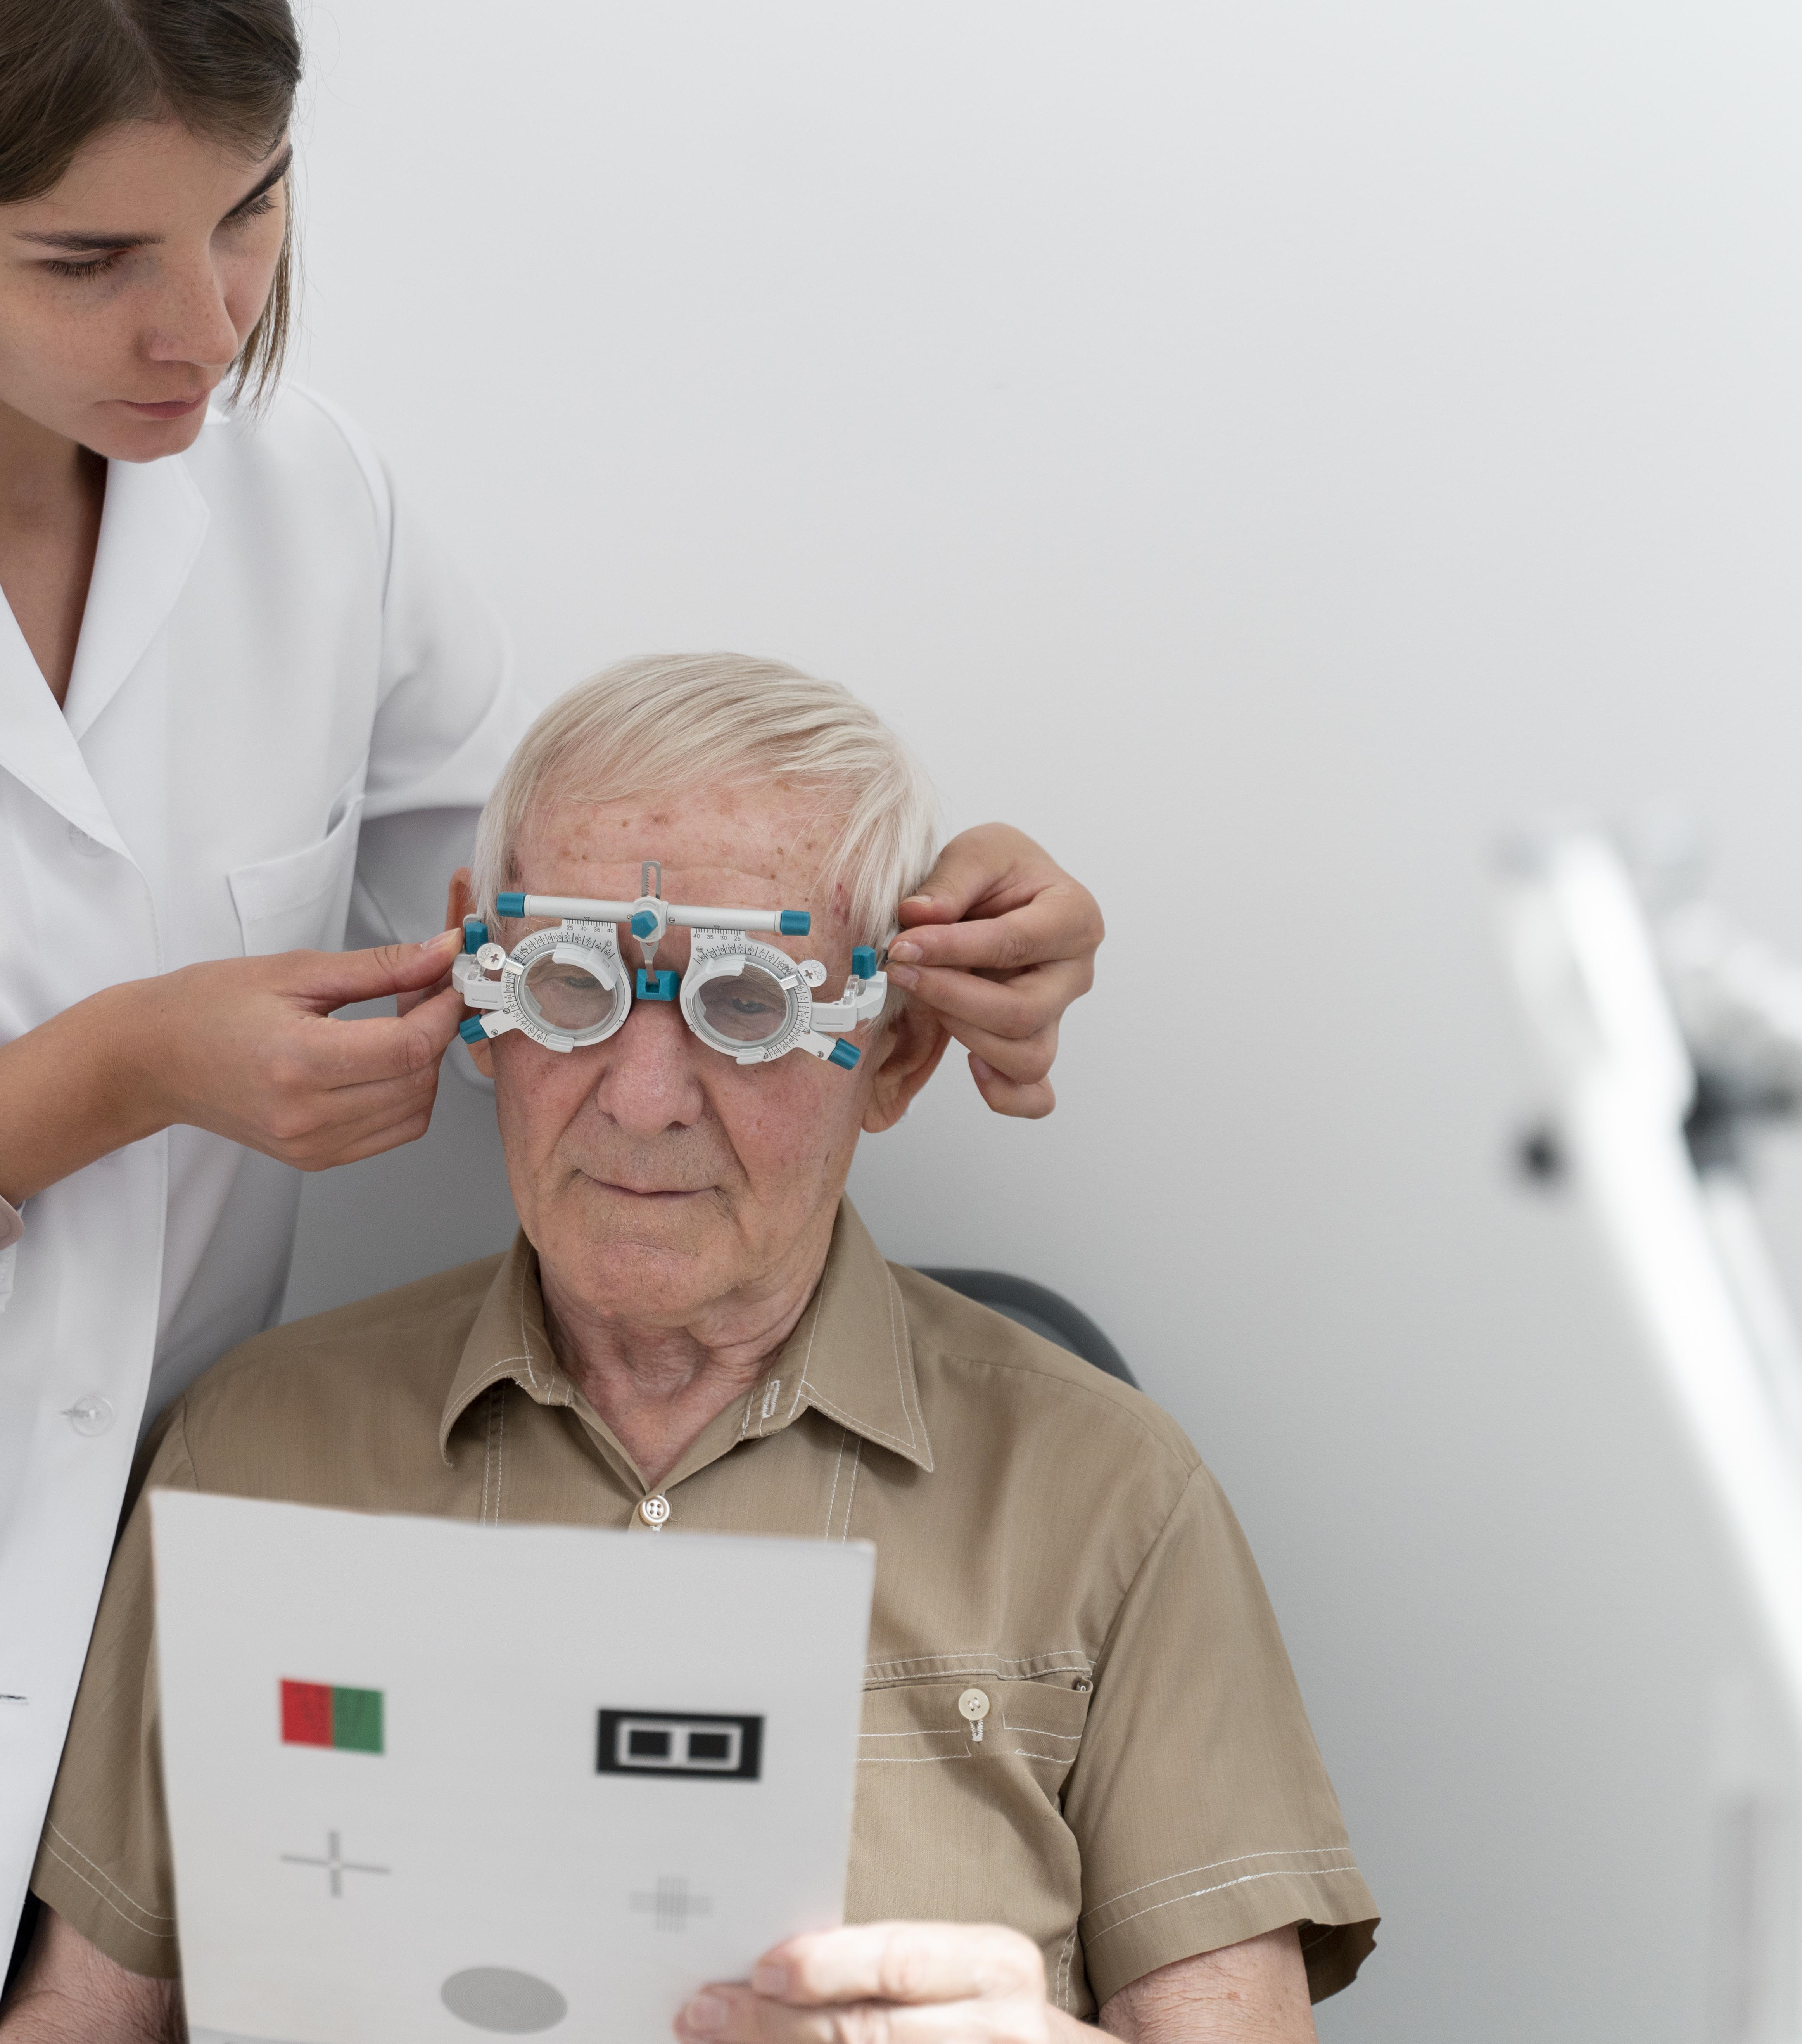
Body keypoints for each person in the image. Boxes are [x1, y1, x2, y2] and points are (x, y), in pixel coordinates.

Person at [0, 0, 1106, 1982]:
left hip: (130, 1637)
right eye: (89, 261)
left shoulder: (302, 502)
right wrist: (117, 1074)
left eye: (251, 213)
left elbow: (580, 885)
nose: (210, 327)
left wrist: (926, 913)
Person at [2, 657, 1375, 2043]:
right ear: (481, 992)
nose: (644, 1099)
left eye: (746, 1002)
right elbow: (78, 2018)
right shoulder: (252, 1454)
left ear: (894, 1054)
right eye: (570, 981)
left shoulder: (1106, 1494)